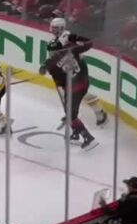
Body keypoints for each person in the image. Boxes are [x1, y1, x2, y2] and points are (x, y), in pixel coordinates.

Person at [38, 17, 108, 150]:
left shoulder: (67, 38)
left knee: (72, 106)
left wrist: (49, 66)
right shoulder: (62, 43)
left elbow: (59, 60)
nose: (52, 30)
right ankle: (77, 130)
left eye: (55, 28)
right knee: (72, 103)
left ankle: (93, 120)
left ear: (61, 28)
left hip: (74, 76)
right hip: (73, 74)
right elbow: (56, 56)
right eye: (52, 27)